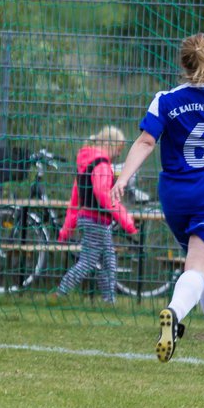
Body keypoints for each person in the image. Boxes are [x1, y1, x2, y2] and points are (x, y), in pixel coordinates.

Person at [111, 34, 204, 367]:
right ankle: (174, 315)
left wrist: (123, 178)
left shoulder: (165, 100)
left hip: (176, 198)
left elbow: (146, 142)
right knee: (199, 266)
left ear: (183, 64)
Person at [54, 126, 139, 303]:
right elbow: (104, 195)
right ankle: (60, 294)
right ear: (109, 144)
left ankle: (109, 301)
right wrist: (126, 221)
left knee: (108, 261)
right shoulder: (101, 164)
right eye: (118, 149)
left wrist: (66, 230)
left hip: (92, 220)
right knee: (88, 262)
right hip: (95, 221)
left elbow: (75, 200)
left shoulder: (86, 163)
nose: (118, 154)